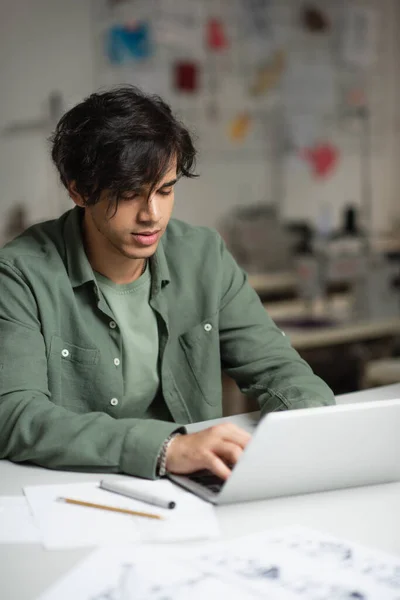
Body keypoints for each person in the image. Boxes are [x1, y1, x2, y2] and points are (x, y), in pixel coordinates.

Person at [0, 86, 335, 482]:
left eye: (166, 189)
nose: (152, 215)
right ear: (78, 190)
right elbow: (15, 415)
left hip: (192, 485)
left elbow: (279, 368)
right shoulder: (20, 273)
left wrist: (311, 427)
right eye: (129, 195)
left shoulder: (203, 255)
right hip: (73, 489)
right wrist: (167, 448)